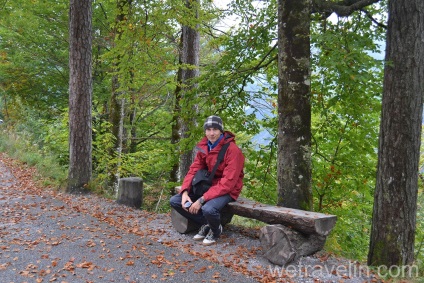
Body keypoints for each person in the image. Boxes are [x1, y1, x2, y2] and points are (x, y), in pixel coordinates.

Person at [170, 115, 245, 245]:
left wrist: (202, 199)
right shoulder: (205, 146)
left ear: (221, 130)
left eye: (215, 129)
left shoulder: (233, 151)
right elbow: (193, 170)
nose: (211, 133)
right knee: (175, 201)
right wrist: (185, 192)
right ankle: (208, 223)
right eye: (208, 129)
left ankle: (216, 229)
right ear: (205, 131)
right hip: (210, 186)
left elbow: (228, 182)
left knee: (208, 209)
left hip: (228, 189)